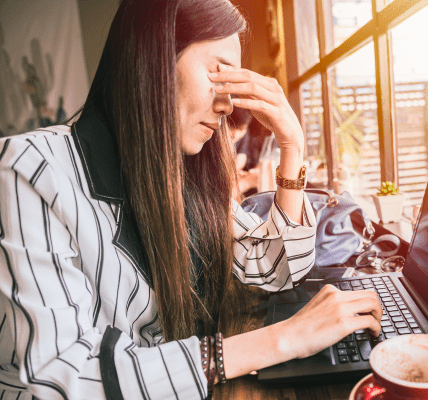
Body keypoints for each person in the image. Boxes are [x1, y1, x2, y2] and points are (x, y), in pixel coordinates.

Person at [0, 1, 382, 399]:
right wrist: (283, 339)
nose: (228, 105)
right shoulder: (29, 168)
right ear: (153, 59)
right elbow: (64, 379)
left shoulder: (183, 170)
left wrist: (293, 147)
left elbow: (273, 268)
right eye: (217, 73)